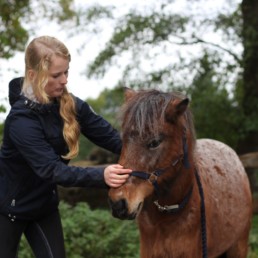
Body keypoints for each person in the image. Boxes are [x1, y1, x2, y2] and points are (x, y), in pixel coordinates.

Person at [0, 36, 132, 258]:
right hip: (7, 209)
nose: (64, 80)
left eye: (66, 72)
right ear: (33, 75)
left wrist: (147, 152)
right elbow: (52, 170)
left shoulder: (69, 104)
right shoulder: (20, 121)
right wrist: (103, 175)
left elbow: (110, 137)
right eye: (56, 75)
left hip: (44, 207)